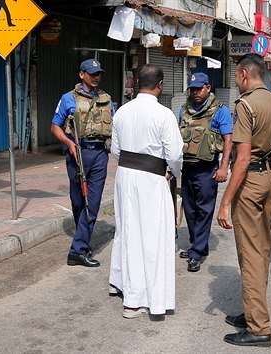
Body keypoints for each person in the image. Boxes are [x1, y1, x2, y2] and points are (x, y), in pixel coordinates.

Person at [216, 53, 271, 347]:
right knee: (260, 248)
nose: (236, 82)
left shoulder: (245, 105)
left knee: (249, 254)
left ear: (244, 75)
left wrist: (226, 201)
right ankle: (253, 312)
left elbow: (243, 158)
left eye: (236, 76)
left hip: (249, 181)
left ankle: (259, 328)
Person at [108, 64, 183, 319]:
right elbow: (174, 155)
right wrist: (173, 173)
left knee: (128, 230)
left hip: (125, 176)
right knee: (151, 237)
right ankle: (138, 299)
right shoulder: (164, 114)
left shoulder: (121, 113)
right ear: (160, 85)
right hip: (151, 178)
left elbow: (115, 151)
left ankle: (123, 284)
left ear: (138, 83)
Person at [51, 59, 115, 267]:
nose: (96, 77)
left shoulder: (106, 99)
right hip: (77, 153)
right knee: (78, 201)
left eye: (98, 73)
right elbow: (55, 127)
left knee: (92, 202)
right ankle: (82, 240)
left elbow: (116, 125)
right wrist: (68, 143)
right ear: (82, 75)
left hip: (99, 154)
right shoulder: (68, 98)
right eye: (92, 73)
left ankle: (77, 250)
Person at [178, 72, 233, 273]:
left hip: (207, 169)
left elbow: (228, 141)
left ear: (208, 88)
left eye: (199, 88)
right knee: (190, 210)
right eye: (192, 89)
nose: (195, 92)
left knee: (204, 211)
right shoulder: (183, 111)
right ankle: (198, 245)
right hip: (188, 167)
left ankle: (196, 252)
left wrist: (223, 167)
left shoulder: (221, 111)